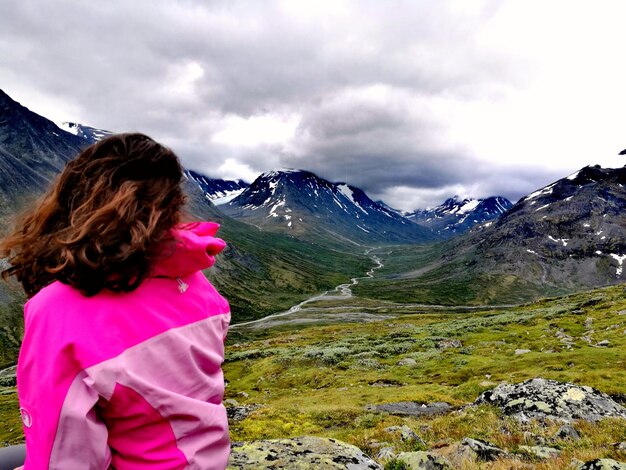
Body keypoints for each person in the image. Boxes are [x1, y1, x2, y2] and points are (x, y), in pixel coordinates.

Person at [0, 133, 231, 469]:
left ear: (71, 201)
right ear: (172, 207)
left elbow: (66, 457)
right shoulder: (197, 283)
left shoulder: (58, 311)